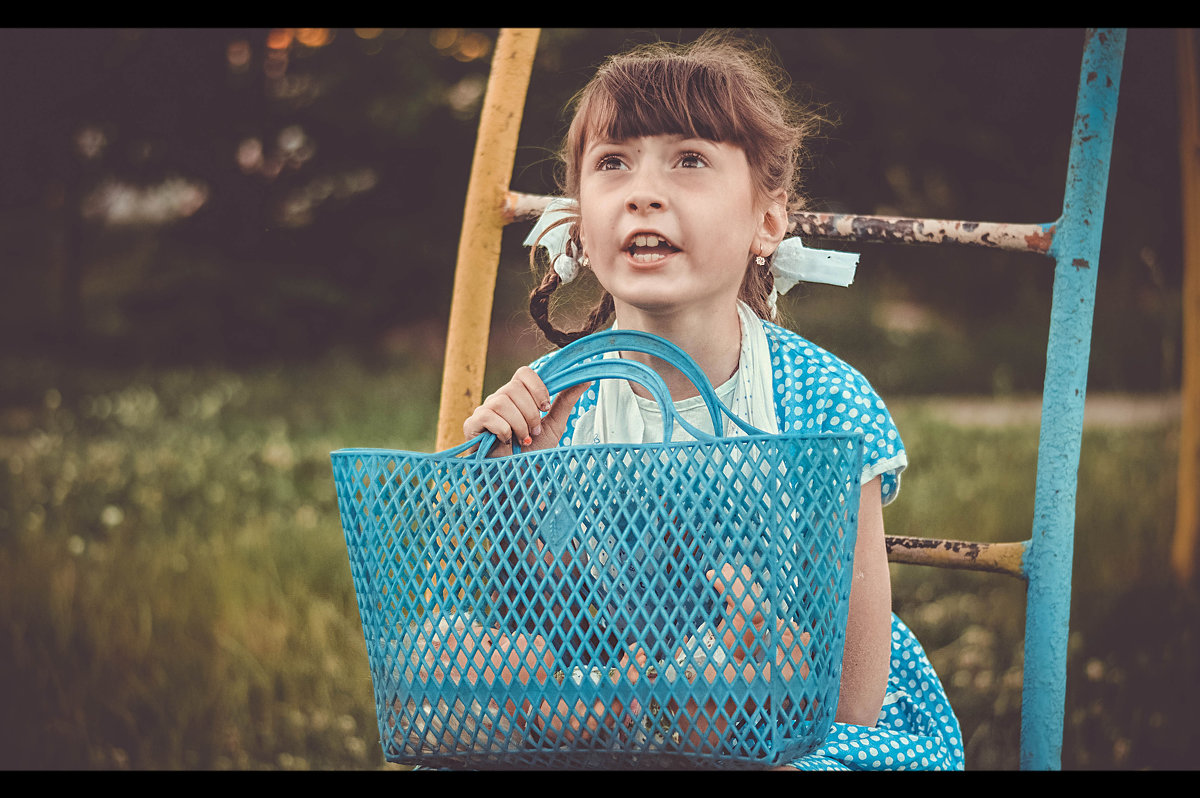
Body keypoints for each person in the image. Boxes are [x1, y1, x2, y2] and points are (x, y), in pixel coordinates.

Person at [454, 31, 964, 771]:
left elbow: (853, 699)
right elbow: (541, 634)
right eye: (612, 163)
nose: (643, 191)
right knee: (454, 679)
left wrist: (744, 672)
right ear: (578, 224)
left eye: (689, 160)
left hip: (793, 731)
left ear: (766, 222)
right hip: (612, 712)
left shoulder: (821, 404)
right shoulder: (554, 406)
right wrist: (513, 483)